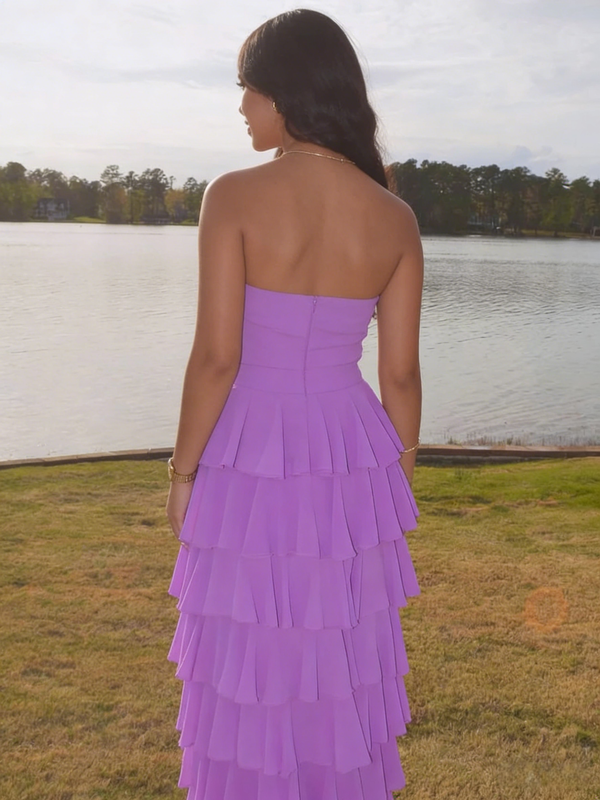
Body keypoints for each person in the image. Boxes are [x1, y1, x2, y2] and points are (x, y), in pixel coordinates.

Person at [165, 8, 423, 799]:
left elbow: (217, 358)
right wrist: (396, 477)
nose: (242, 106)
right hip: (347, 453)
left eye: (249, 89)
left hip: (250, 453)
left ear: (287, 93)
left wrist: (181, 473)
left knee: (250, 655)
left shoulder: (234, 196)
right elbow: (401, 376)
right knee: (337, 653)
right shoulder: (395, 217)